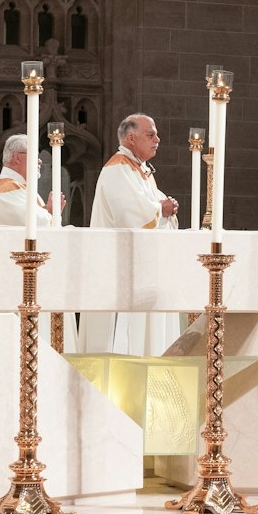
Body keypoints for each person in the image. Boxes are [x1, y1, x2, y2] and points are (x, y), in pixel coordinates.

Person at [75, 114, 182, 356]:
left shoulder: (139, 170)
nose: (158, 139)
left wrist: (167, 207)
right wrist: (160, 209)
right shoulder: (117, 168)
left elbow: (150, 204)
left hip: (142, 266)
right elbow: (128, 213)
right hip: (120, 268)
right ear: (131, 138)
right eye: (150, 134)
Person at [0, 134, 54, 228]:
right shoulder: (6, 190)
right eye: (34, 154)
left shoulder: (18, 187)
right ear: (17, 158)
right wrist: (50, 211)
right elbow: (34, 223)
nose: (40, 161)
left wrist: (46, 210)